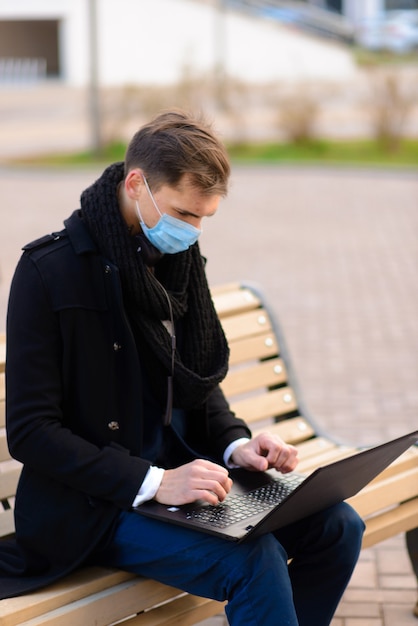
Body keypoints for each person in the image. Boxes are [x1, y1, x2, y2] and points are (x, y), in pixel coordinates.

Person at [2, 110, 365, 625]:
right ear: (137, 184)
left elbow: (194, 381)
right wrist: (154, 482)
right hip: (96, 507)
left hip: (187, 482)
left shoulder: (177, 263)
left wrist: (238, 444)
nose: (193, 231)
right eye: (184, 214)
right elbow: (31, 432)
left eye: (204, 219)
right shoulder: (49, 272)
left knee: (337, 525)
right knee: (253, 562)